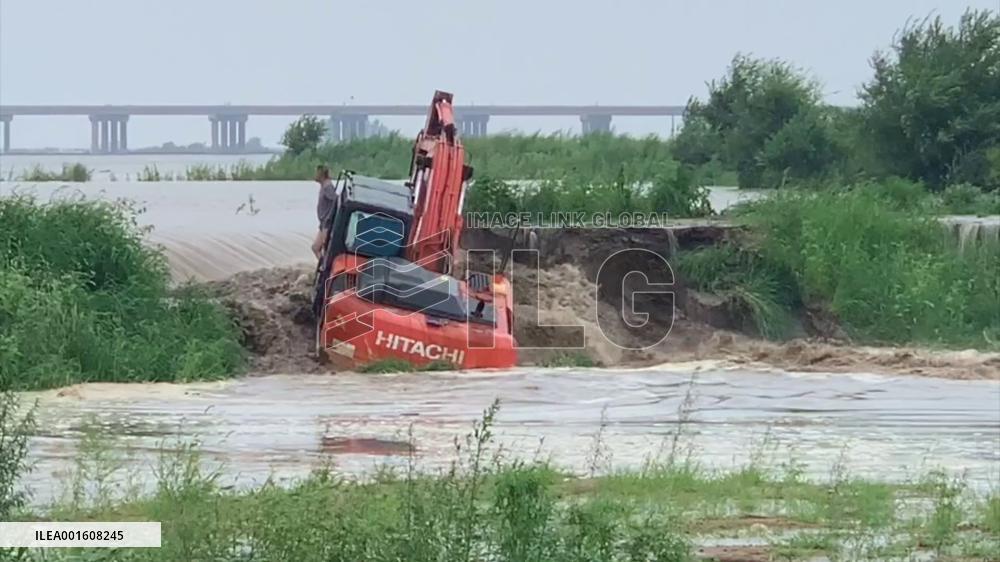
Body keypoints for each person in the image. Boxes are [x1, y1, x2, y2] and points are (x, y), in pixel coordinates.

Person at [312, 165, 340, 259]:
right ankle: (322, 264)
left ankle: (325, 265)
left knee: (322, 248)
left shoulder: (328, 186)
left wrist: (329, 218)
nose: (315, 175)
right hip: (323, 223)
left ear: (321, 174)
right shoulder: (324, 186)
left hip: (327, 223)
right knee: (315, 247)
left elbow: (336, 200)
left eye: (316, 173)